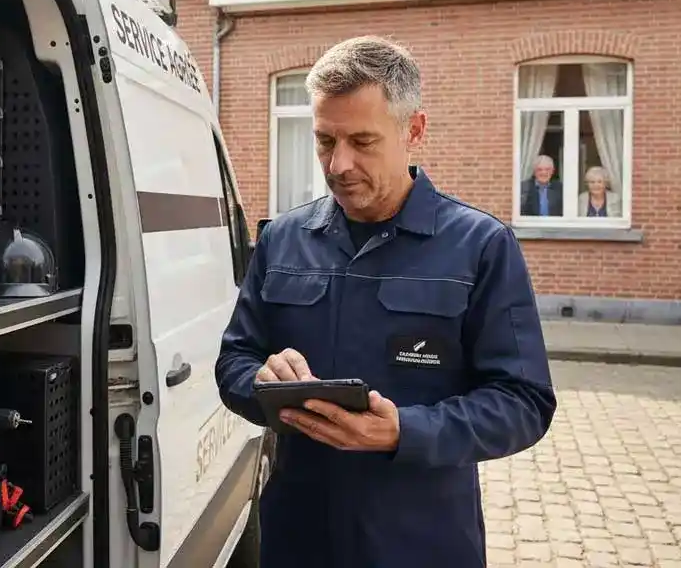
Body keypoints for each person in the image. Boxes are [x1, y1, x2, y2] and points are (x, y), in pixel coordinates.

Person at [215, 36, 556, 568]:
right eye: (325, 140)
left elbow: (524, 402)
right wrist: (259, 382)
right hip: (298, 539)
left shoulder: (480, 246)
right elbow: (234, 360)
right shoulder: (282, 240)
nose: (338, 163)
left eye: (362, 141)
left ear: (413, 130)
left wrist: (404, 431)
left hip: (421, 543)